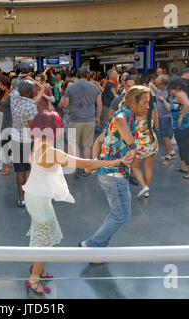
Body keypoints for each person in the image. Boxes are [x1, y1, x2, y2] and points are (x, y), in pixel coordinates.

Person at [23, 111, 122, 295]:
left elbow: (32, 162)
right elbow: (83, 164)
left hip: (34, 196)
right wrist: (111, 161)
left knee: (42, 236)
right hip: (39, 200)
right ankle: (34, 280)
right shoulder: (50, 151)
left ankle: (38, 269)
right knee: (45, 242)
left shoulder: (38, 144)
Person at [79, 86, 148, 249]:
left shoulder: (120, 117)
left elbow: (98, 141)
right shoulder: (125, 115)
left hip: (107, 175)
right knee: (121, 215)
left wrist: (94, 163)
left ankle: (99, 248)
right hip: (114, 176)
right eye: (144, 103)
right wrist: (132, 147)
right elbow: (120, 121)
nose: (147, 107)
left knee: (118, 214)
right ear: (133, 102)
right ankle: (92, 245)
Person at [59, 67, 102, 177]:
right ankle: (86, 167)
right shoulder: (94, 87)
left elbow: (65, 104)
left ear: (77, 76)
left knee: (74, 144)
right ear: (87, 76)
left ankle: (78, 166)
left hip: (75, 120)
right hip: (90, 119)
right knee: (87, 145)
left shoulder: (70, 88)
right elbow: (99, 104)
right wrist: (97, 117)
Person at [10, 77, 44, 207]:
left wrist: (24, 80)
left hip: (16, 139)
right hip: (28, 141)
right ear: (29, 92)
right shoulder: (30, 107)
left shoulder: (14, 97)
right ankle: (29, 194)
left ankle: (21, 198)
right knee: (30, 168)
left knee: (20, 170)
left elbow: (14, 86)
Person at [157, 78, 189, 180]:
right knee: (182, 147)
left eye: (170, 90)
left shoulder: (179, 95)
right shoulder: (181, 94)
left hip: (182, 127)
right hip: (184, 126)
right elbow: (171, 108)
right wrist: (163, 100)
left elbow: (187, 105)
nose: (170, 92)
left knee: (185, 149)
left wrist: (180, 117)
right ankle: (184, 168)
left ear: (174, 88)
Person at [132, 98, 158, 198]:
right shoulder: (153, 111)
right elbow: (156, 125)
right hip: (152, 141)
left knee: (135, 167)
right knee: (148, 166)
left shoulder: (136, 113)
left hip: (139, 143)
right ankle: (146, 188)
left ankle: (144, 187)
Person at [154, 75, 176, 162]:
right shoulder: (159, 90)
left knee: (166, 136)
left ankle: (168, 154)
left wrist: (163, 100)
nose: (156, 86)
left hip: (167, 117)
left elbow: (171, 107)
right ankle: (171, 152)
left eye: (158, 84)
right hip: (160, 116)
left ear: (163, 84)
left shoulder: (169, 92)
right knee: (163, 136)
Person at [0, 75, 13, 176]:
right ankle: (8, 165)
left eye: (2, 85)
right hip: (6, 122)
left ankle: (8, 165)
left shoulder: (12, 93)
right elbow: (2, 108)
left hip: (14, 123)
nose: (0, 87)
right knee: (4, 144)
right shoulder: (2, 94)